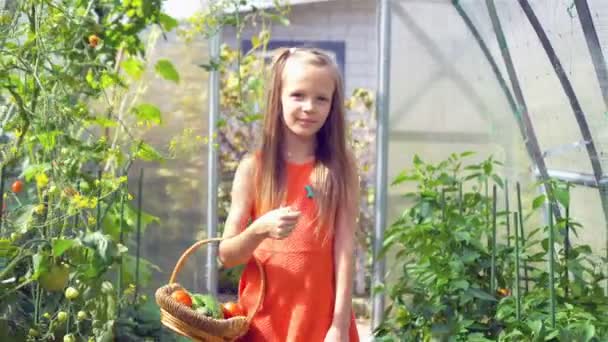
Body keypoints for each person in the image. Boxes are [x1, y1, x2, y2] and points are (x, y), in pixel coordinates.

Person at [218, 47, 360, 342]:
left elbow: (345, 251)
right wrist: (259, 229)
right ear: (278, 98)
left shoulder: (340, 170)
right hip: (263, 323)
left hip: (319, 321)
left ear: (332, 106)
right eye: (298, 95)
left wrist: (338, 326)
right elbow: (227, 255)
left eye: (321, 98)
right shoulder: (252, 169)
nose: (309, 107)